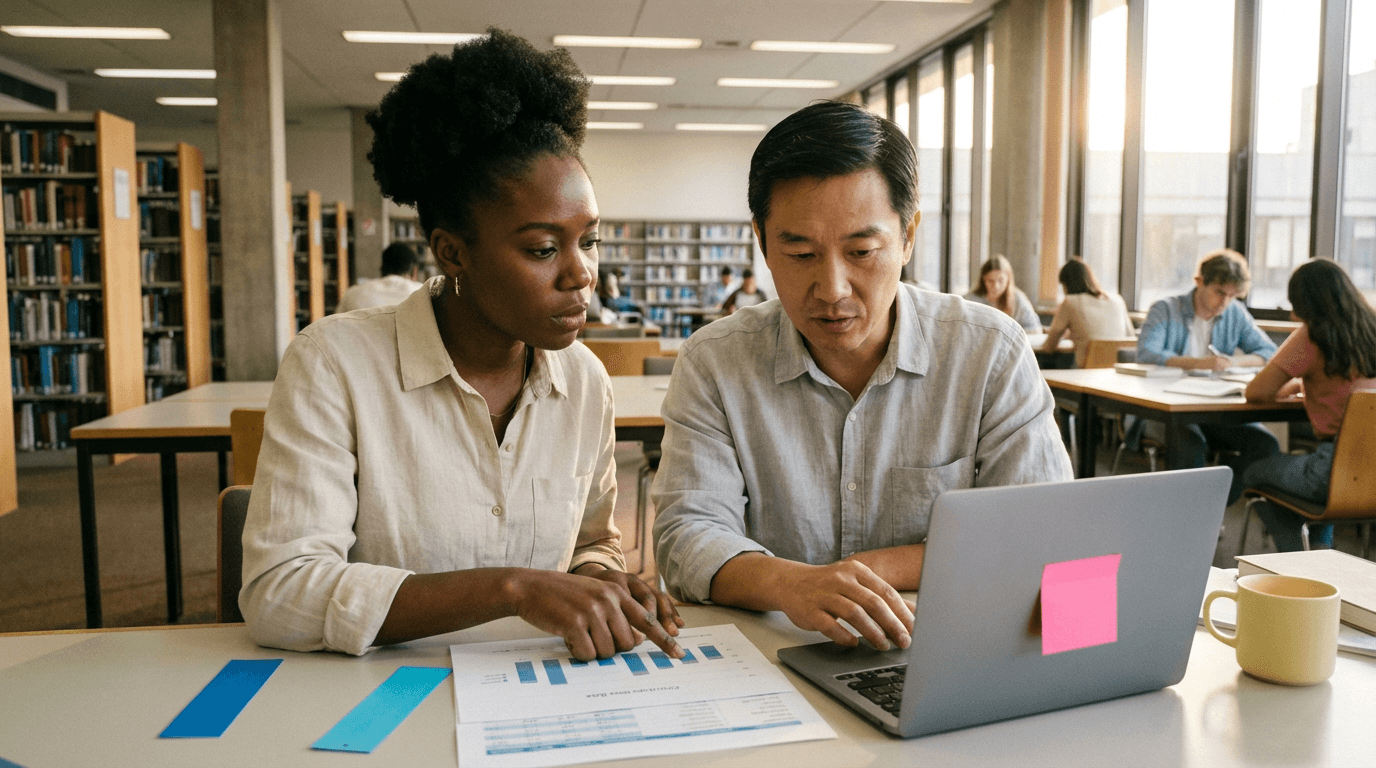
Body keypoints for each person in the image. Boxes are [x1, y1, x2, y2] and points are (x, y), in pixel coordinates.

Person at [239, 29, 682, 659]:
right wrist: (511, 589)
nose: (582, 274)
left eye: (589, 241)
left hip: (531, 683)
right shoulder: (335, 364)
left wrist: (597, 577)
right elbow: (280, 593)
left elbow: (591, 541)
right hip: (381, 689)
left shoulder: (583, 380)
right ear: (453, 253)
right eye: (542, 249)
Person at [652, 101, 1072, 653]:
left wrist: (855, 576)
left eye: (862, 251)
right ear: (762, 242)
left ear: (908, 236)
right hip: (776, 655)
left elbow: (1039, 532)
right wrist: (790, 583)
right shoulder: (715, 362)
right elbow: (687, 534)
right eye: (800, 253)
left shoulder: (990, 352)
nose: (832, 289)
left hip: (948, 650)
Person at [1242, 260, 1376, 551]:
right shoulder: (1371, 327)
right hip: (1368, 476)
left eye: (1296, 305)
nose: (1293, 315)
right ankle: (1318, 554)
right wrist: (1301, 385)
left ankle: (1297, 561)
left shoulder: (1313, 335)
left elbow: (1257, 392)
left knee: (1253, 473)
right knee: (1316, 474)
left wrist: (1289, 385)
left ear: (1309, 304)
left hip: (1331, 472)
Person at [1136, 248, 1280, 504]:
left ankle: (1211, 506)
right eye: (1220, 292)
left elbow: (1269, 353)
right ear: (1199, 281)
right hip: (1169, 410)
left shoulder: (1235, 312)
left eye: (1233, 295)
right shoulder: (1166, 309)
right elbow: (1147, 353)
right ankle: (1191, 515)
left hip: (1213, 410)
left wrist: (1231, 361)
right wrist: (1198, 363)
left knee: (1265, 444)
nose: (1225, 302)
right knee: (1190, 442)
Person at [1041, 258, 1135, 368]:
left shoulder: (1070, 302)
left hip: (1087, 371)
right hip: (1117, 370)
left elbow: (1049, 347)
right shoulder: (1117, 300)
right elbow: (1130, 338)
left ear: (1066, 284)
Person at [337, 242, 424, 312]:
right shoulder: (423, 294)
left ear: (382, 268)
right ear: (414, 271)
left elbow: (334, 325)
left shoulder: (352, 294)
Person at [965, 255, 1041, 332]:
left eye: (1000, 281)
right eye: (990, 281)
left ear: (1008, 280)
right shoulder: (970, 301)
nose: (996, 286)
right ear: (983, 280)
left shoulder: (1018, 299)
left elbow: (1035, 329)